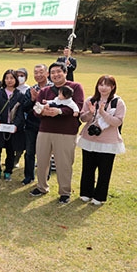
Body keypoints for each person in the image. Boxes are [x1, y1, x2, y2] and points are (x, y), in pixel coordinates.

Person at [30, 62, 85, 204]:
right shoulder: (45, 91)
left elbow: (77, 108)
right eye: (53, 72)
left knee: (64, 163)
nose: (56, 75)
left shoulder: (75, 87)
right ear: (49, 75)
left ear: (65, 72)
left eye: (59, 72)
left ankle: (65, 192)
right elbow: (36, 109)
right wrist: (43, 111)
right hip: (45, 130)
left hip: (66, 132)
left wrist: (59, 112)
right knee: (41, 161)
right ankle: (41, 187)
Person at [77, 75, 125, 205]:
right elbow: (83, 119)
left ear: (112, 87)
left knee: (104, 171)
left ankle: (99, 196)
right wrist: (91, 113)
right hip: (89, 139)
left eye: (107, 85)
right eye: (101, 84)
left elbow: (117, 122)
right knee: (87, 168)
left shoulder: (118, 102)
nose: (103, 88)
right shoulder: (91, 100)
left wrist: (103, 113)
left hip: (108, 142)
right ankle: (86, 193)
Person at [0, 70, 26, 181]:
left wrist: (16, 124)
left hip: (12, 128)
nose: (9, 80)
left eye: (12, 78)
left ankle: (8, 171)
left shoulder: (20, 95)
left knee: (10, 150)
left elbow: (21, 113)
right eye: (7, 78)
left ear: (16, 80)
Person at [22, 64, 52, 185]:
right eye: (36, 73)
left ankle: (45, 176)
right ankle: (29, 176)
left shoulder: (53, 88)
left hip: (47, 126)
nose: (38, 75)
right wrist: (32, 100)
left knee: (45, 153)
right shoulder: (31, 89)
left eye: (41, 72)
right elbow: (25, 108)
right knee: (29, 152)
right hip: (31, 125)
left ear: (47, 74)